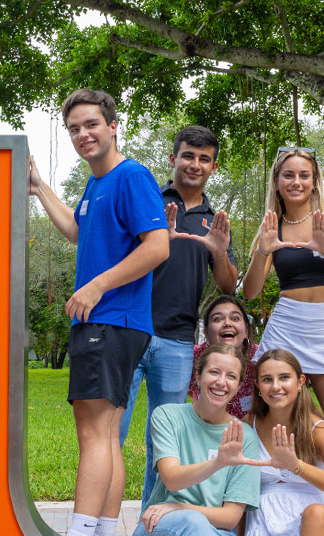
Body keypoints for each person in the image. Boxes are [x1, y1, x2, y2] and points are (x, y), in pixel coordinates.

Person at [27, 89, 170, 536]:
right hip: (112, 324)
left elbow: (157, 246)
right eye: (74, 128)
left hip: (110, 319)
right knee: (106, 436)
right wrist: (40, 187)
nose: (83, 134)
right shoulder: (97, 184)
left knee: (94, 436)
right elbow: (76, 229)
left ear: (113, 125)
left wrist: (96, 286)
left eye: (91, 124)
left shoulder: (130, 176)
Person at [120, 125, 239, 508]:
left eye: (204, 159)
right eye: (188, 155)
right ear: (173, 159)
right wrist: (156, 242)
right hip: (130, 330)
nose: (195, 164)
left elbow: (228, 286)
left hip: (176, 343)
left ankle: (151, 530)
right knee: (111, 436)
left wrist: (219, 252)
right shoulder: (149, 201)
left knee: (164, 445)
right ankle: (98, 529)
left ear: (213, 166)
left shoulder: (215, 219)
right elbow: (118, 261)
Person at [242, 147, 324, 461]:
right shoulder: (271, 227)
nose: (296, 182)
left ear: (315, 181)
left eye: (303, 175)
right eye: (288, 175)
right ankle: (285, 499)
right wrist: (262, 251)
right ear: (277, 180)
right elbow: (249, 292)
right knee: (275, 427)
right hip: (286, 329)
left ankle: (320, 493)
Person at [133, 343, 263, 536]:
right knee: (192, 523)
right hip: (158, 527)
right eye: (214, 372)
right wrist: (218, 463)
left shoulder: (244, 437)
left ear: (238, 386)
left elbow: (230, 518)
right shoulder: (168, 416)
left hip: (217, 534)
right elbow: (173, 479)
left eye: (231, 376)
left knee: (196, 524)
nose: (221, 382)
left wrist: (178, 507)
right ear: (198, 377)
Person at [244, 349, 324, 536]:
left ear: (300, 382)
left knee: (317, 514)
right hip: (263, 523)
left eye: (285, 378)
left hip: (314, 523)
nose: (276, 386)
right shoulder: (247, 424)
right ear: (258, 386)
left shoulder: (319, 429)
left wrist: (296, 466)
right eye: (267, 379)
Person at [187, 295, 259, 419]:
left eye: (235, 318)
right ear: (206, 333)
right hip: (205, 429)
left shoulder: (259, 358)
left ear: (246, 330)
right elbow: (181, 387)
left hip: (248, 431)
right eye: (218, 319)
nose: (227, 323)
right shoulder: (192, 356)